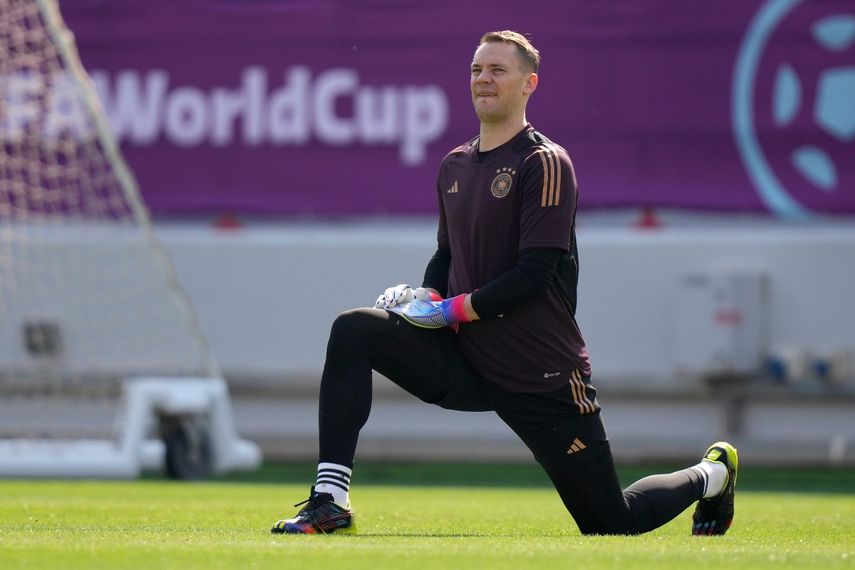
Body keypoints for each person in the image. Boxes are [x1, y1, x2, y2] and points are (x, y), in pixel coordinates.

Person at [271, 30, 737, 536]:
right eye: (477, 70)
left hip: (539, 373)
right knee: (353, 330)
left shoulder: (545, 162)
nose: (483, 79)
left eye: (497, 70)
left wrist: (447, 311)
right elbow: (447, 255)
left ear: (529, 83)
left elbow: (534, 275)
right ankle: (330, 501)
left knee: (610, 524)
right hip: (468, 360)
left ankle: (710, 475)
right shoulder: (453, 164)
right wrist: (427, 296)